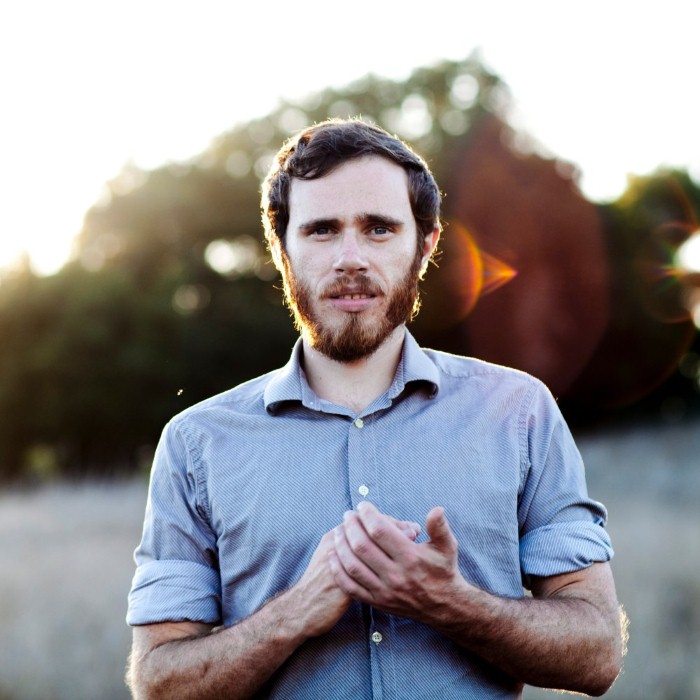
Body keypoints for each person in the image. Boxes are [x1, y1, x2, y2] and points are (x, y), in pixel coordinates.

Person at [126, 118, 625, 699]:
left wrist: (450, 603)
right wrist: (295, 612)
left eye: (379, 229)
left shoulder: (520, 412)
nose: (350, 258)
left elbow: (597, 655)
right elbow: (159, 683)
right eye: (321, 230)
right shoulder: (196, 443)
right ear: (282, 250)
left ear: (426, 245)